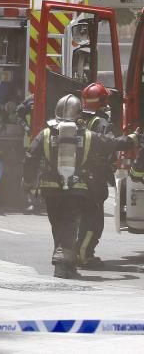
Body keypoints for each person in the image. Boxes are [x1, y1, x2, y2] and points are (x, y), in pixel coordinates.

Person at [24, 94, 139, 278]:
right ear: (79, 114)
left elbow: (30, 158)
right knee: (70, 224)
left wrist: (28, 182)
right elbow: (112, 144)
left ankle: (65, 262)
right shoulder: (87, 135)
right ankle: (63, 263)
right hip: (76, 188)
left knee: (58, 225)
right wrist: (132, 138)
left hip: (50, 189)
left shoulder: (45, 133)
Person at [77, 82, 117, 268]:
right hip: (95, 176)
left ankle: (79, 252)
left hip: (81, 176)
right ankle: (84, 254)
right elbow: (109, 145)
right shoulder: (101, 122)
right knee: (94, 220)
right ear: (101, 101)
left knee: (82, 216)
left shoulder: (81, 119)